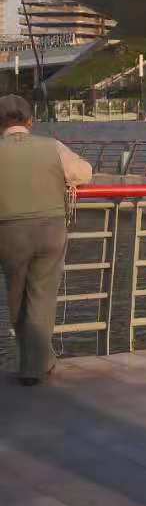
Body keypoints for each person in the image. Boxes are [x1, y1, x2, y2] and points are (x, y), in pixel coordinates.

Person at [0, 94, 93, 385]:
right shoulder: (52, 146)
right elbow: (85, 173)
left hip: (9, 231)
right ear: (31, 121)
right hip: (51, 228)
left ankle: (31, 362)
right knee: (42, 295)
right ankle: (39, 362)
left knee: (16, 296)